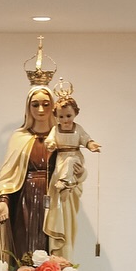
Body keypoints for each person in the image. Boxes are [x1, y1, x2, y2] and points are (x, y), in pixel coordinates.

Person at [0, 85, 56, 267]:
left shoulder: (60, 137)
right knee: (24, 244)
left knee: (49, 245)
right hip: (25, 200)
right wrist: (3, 200)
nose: (41, 109)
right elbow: (8, 174)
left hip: (53, 200)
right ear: (28, 107)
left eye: (46, 104)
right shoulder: (19, 137)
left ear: (53, 106)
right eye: (35, 105)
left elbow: (71, 168)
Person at [43, 91, 100, 261]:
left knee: (70, 163)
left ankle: (66, 184)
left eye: (68, 116)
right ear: (56, 116)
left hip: (74, 159)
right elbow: (50, 141)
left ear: (75, 114)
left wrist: (91, 145)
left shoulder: (78, 129)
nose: (65, 120)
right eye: (61, 117)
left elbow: (86, 139)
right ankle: (63, 185)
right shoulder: (55, 129)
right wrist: (51, 144)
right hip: (60, 162)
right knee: (63, 169)